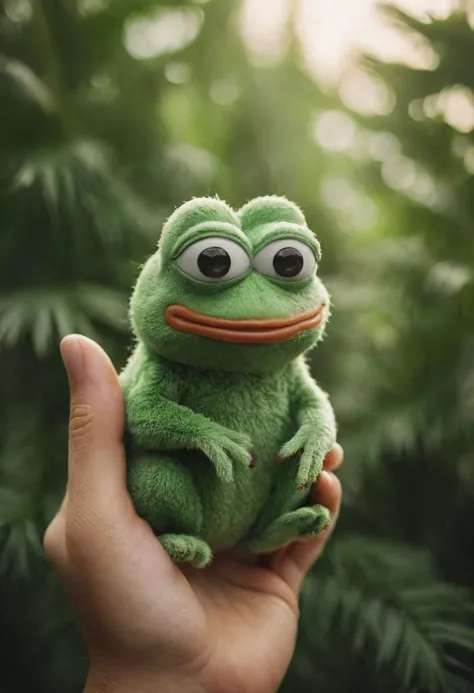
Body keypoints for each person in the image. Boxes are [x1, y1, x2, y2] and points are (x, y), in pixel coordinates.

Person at [44, 335, 343, 693]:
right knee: (155, 481)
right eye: (214, 272)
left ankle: (267, 534)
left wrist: (318, 431)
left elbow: (314, 403)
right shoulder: (167, 360)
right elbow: (144, 413)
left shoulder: (286, 366)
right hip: (186, 504)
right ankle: (179, 531)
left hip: (256, 518)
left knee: (307, 467)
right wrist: (204, 432)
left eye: (289, 273)